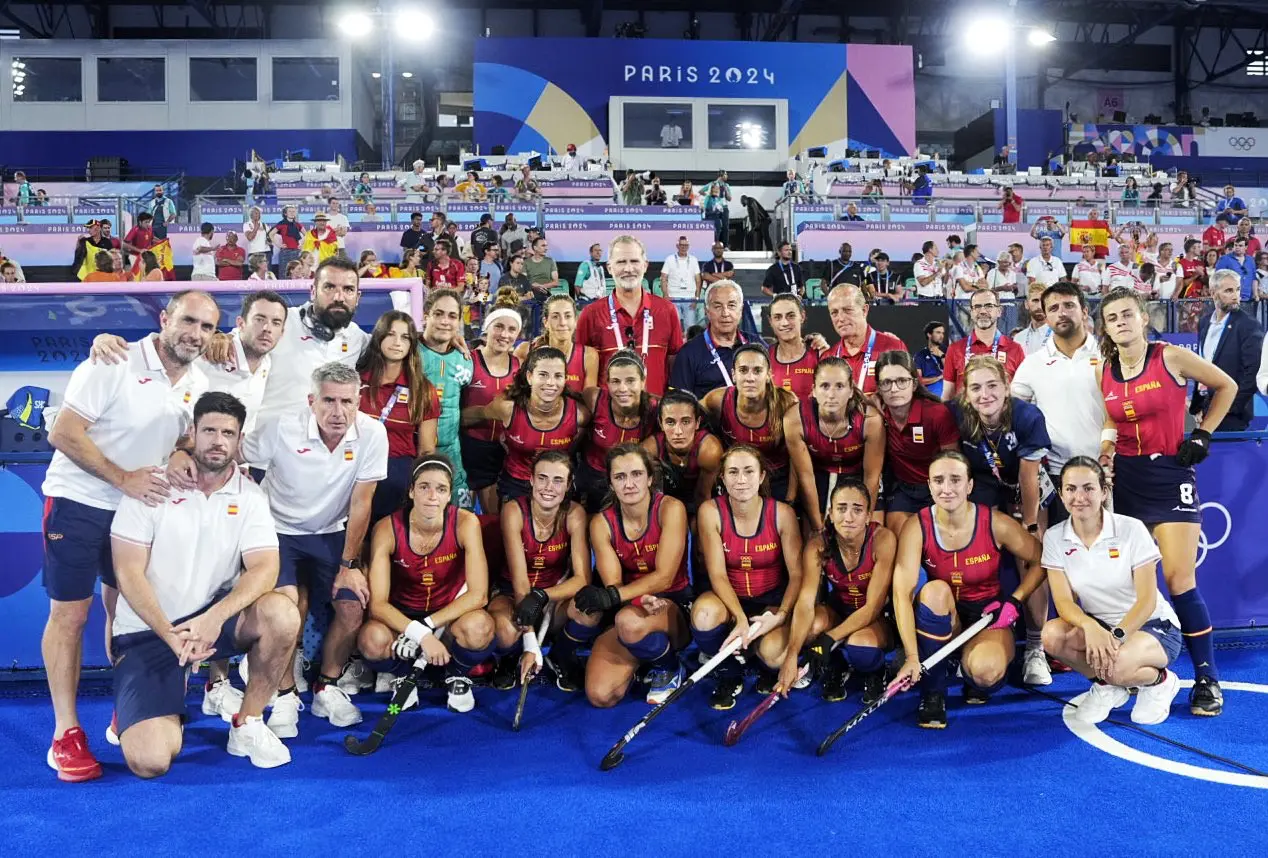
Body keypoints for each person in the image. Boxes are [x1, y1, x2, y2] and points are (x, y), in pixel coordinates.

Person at [41, 290, 218, 782]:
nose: (195, 334)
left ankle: (125, 709)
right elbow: (64, 433)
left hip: (137, 513)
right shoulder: (112, 358)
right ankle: (65, 732)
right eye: (188, 321)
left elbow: (179, 433)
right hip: (78, 504)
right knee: (71, 616)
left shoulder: (198, 380)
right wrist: (123, 479)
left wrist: (182, 450)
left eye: (206, 327)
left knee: (126, 612)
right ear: (165, 319)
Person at [108, 392, 298, 775]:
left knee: (282, 614)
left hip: (209, 625)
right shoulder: (153, 486)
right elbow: (127, 571)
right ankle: (159, 701)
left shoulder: (250, 497)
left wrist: (214, 618)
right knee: (150, 762)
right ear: (191, 433)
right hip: (150, 631)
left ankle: (247, 723)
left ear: (239, 440)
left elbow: (265, 568)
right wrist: (168, 633)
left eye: (228, 432)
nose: (218, 440)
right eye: (209, 430)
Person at [1098, 287, 1236, 716]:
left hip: (1171, 474)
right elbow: (1109, 417)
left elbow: (1226, 386)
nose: (1120, 322)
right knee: (1128, 587)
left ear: (1143, 317)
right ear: (1105, 327)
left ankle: (1206, 679)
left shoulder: (1170, 356)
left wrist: (1203, 432)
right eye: (1112, 317)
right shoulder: (1104, 369)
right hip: (1126, 480)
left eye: (1127, 314)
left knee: (1178, 581)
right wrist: (1105, 451)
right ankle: (1135, 671)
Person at [230, 362, 388, 735]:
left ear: (359, 400)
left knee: (352, 604)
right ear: (311, 401)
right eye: (329, 401)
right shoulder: (281, 426)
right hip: (276, 532)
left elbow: (361, 502)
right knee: (285, 610)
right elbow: (239, 460)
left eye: (348, 402)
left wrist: (349, 563)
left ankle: (326, 686)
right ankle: (284, 695)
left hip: (330, 532)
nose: (339, 412)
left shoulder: (372, 433)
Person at [891, 451, 1044, 727]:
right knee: (934, 591)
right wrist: (912, 657)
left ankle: (967, 665)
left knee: (985, 675)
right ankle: (933, 692)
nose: (946, 489)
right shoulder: (917, 526)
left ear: (970, 486)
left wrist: (1014, 601)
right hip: (946, 616)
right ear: (929, 485)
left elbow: (1041, 560)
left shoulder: (995, 523)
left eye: (955, 480)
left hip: (987, 617)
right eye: (938, 481)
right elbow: (901, 594)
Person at [1040, 457, 1184, 725]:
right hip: (1102, 626)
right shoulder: (1054, 537)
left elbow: (1147, 600)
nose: (1079, 497)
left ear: (1104, 492)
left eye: (1088, 488)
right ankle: (1107, 687)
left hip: (1153, 626)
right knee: (1052, 636)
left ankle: (1160, 681)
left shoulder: (1131, 529)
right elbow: (1063, 602)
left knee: (1117, 666)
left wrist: (1115, 638)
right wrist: (1090, 627)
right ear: (1061, 494)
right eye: (1070, 489)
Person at [356, 456, 495, 714]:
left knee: (480, 628)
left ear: (449, 495)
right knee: (371, 640)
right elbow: (377, 605)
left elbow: (479, 595)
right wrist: (419, 634)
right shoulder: (387, 528)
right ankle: (403, 675)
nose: (432, 496)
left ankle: (456, 675)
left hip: (447, 616)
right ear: (411, 491)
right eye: (424, 487)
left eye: (441, 489)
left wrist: (428, 627)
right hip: (402, 617)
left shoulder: (466, 523)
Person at [949, 354, 1054, 684]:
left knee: (1032, 557)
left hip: (1029, 487)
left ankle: (1036, 648)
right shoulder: (956, 413)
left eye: (992, 385)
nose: (985, 395)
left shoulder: (1027, 416)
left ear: (1007, 388)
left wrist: (1030, 521)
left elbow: (1028, 475)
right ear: (966, 393)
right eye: (976, 387)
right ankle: (966, 639)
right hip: (983, 487)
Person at [691, 446, 805, 708]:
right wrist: (740, 618)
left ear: (762, 476)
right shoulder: (710, 511)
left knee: (775, 656)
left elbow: (798, 574)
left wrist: (781, 615)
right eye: (732, 472)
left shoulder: (782, 514)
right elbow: (717, 574)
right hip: (729, 600)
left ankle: (756, 655)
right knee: (703, 615)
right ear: (722, 477)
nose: (741, 480)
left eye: (748, 471)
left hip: (770, 601)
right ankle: (730, 673)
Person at [581, 444, 693, 706]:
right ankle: (645, 659)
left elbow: (665, 577)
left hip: (673, 606)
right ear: (610, 483)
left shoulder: (670, 508)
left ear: (650, 478)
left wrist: (618, 597)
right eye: (620, 477)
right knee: (600, 695)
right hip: (631, 609)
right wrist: (634, 600)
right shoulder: (601, 523)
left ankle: (670, 667)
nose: (629, 484)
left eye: (636, 474)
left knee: (629, 623)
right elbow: (613, 584)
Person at [780, 478, 897, 701]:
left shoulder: (883, 540)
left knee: (860, 647)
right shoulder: (818, 545)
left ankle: (876, 671)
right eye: (841, 509)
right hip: (840, 610)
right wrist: (792, 654)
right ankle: (837, 666)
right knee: (812, 627)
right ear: (831, 515)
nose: (849, 517)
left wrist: (830, 638)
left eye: (857, 509)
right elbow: (805, 602)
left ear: (868, 516)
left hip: (876, 618)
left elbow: (872, 607)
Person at [491, 452, 594, 692]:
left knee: (590, 610)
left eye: (558, 480)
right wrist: (529, 641)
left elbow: (582, 579)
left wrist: (544, 595)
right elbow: (519, 583)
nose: (549, 487)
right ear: (531, 480)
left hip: (553, 597)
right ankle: (510, 656)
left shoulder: (575, 514)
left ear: (568, 485)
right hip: (512, 594)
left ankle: (561, 655)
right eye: (543, 478)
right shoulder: (513, 511)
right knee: (505, 633)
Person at [701, 344, 820, 529]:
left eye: (757, 370)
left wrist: (790, 499)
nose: (750, 377)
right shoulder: (716, 400)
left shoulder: (786, 402)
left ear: (768, 375)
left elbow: (797, 458)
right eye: (743, 370)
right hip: (738, 478)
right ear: (734, 375)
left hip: (777, 478)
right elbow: (686, 415)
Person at [463, 346, 590, 502]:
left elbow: (581, 444)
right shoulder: (508, 408)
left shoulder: (580, 414)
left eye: (558, 376)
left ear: (565, 379)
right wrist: (447, 423)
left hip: (556, 485)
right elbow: (472, 415)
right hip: (516, 484)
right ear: (529, 377)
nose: (551, 382)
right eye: (543, 375)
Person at [357, 311, 440, 524]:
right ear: (379, 337)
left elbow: (426, 450)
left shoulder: (423, 389)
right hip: (354, 468)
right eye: (391, 334)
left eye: (405, 337)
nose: (397, 343)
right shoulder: (355, 381)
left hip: (396, 475)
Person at [576, 235, 684, 397]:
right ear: (609, 267)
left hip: (654, 416)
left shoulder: (667, 310)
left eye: (634, 261)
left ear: (645, 265)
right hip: (608, 418)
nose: (628, 269)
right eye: (621, 262)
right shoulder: (590, 314)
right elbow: (580, 368)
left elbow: (675, 365)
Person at [874, 350, 960, 534]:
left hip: (937, 489)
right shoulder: (877, 413)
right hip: (903, 490)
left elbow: (953, 463)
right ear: (879, 388)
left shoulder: (936, 414)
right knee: (899, 534)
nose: (894, 389)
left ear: (914, 384)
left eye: (901, 381)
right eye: (886, 382)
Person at [799, 357, 885, 523]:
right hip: (819, 477)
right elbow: (805, 476)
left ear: (851, 390)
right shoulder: (796, 419)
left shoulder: (870, 420)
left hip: (858, 475)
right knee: (815, 540)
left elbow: (872, 476)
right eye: (825, 386)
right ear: (814, 390)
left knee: (874, 533)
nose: (831, 395)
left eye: (839, 386)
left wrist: (864, 520)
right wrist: (818, 528)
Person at [460, 292, 523, 515]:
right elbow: (452, 416)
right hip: (468, 452)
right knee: (461, 521)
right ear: (487, 328)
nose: (504, 335)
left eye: (511, 329)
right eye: (499, 327)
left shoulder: (520, 368)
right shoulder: (467, 361)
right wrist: (486, 413)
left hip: (501, 454)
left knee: (495, 522)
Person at [576, 351, 659, 514]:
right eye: (615, 381)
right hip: (593, 479)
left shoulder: (656, 409)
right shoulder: (594, 398)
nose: (623, 389)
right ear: (606, 383)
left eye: (630, 381)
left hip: (632, 481)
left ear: (643, 382)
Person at [418, 288, 475, 508]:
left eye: (452, 316)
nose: (445, 321)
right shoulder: (408, 353)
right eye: (438, 314)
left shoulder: (465, 359)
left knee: (463, 517)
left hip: (453, 455)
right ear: (426, 316)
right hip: (413, 452)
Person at [1192, 270, 1264, 432]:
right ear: (1213, 293)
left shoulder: (1249, 325)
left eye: (1237, 289)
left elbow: (1252, 372)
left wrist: (1230, 407)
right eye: (1228, 291)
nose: (1235, 296)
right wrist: (1197, 405)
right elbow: (1202, 365)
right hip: (1204, 410)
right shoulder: (1204, 322)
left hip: (1231, 415)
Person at [642, 389, 723, 518]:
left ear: (697, 423)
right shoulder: (650, 449)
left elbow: (703, 495)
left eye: (685, 422)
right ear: (660, 423)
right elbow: (651, 498)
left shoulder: (709, 450)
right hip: (667, 498)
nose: (678, 431)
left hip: (703, 499)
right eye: (670, 422)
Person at [667, 280, 749, 399]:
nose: (725, 313)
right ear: (707, 311)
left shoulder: (755, 345)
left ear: (740, 310)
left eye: (731, 305)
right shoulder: (688, 353)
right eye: (717, 306)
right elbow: (679, 403)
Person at [821, 284, 907, 396]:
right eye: (834, 313)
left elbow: (912, 398)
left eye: (847, 310)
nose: (841, 318)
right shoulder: (828, 357)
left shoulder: (892, 348)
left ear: (864, 310)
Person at [940, 290, 1026, 400]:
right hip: (964, 416)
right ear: (971, 312)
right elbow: (948, 394)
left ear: (999, 311)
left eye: (989, 306)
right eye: (977, 306)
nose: (983, 311)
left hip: (1004, 416)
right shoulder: (955, 349)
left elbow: (1020, 396)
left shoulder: (1015, 349)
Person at [515, 294, 599, 394]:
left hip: (574, 409)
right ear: (545, 322)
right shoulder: (525, 351)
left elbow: (589, 402)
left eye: (568, 316)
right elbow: (514, 395)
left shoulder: (588, 356)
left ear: (575, 321)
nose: (562, 322)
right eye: (555, 316)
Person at [767, 294, 821, 401]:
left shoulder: (818, 354)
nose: (784, 323)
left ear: (802, 316)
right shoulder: (764, 358)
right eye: (777, 317)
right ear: (770, 321)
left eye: (791, 316)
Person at [914, 321, 946, 397]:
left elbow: (951, 373)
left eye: (942, 333)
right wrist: (938, 377)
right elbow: (919, 380)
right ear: (929, 334)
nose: (941, 336)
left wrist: (942, 356)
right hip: (931, 399)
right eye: (938, 332)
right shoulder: (920, 355)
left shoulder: (948, 351)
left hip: (948, 398)